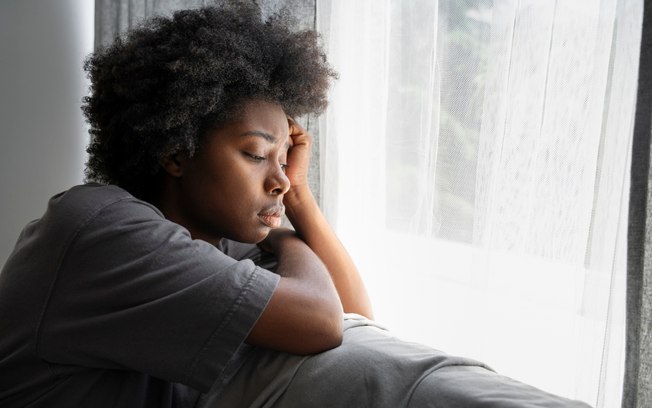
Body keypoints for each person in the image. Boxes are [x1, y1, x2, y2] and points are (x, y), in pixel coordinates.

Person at [0, 2, 591, 407]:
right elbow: (321, 322)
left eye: (286, 158)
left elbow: (356, 317)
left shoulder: (208, 236)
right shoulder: (103, 229)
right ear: (176, 152)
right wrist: (282, 231)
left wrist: (300, 199)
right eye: (257, 154)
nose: (280, 180)